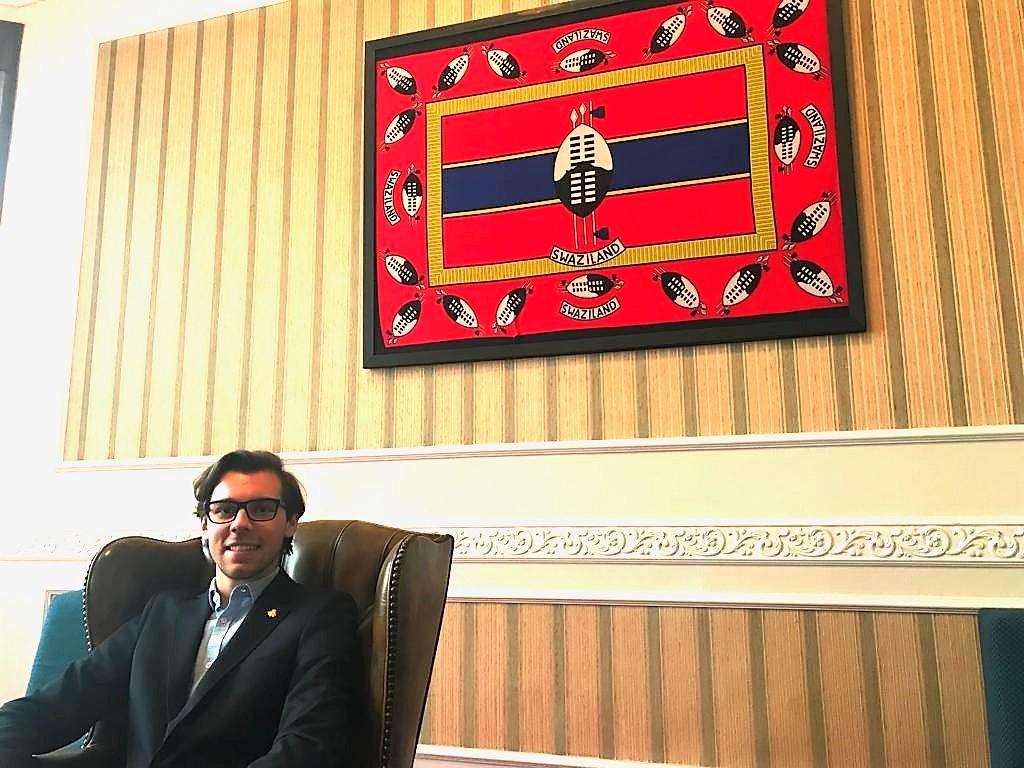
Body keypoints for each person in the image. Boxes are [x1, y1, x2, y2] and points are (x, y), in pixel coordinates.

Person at [0, 450, 357, 768]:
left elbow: (308, 746)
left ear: (290, 522)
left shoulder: (320, 616)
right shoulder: (164, 612)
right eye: (223, 510)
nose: (240, 523)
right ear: (205, 525)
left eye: (262, 509)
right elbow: (61, 702)